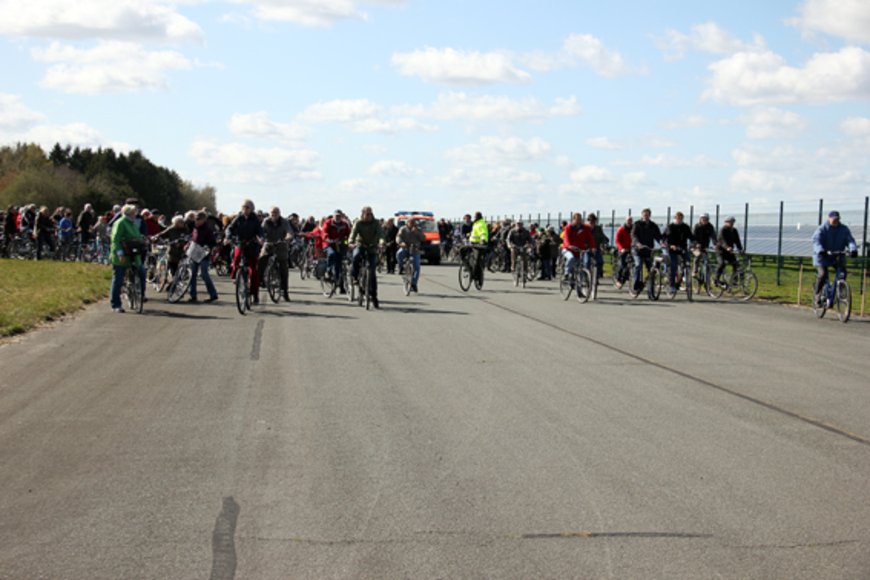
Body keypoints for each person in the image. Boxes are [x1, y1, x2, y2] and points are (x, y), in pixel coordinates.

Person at [812, 210, 858, 306]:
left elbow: (850, 240)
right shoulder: (822, 229)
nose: (835, 221)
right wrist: (820, 250)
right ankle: (817, 295)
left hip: (836, 256)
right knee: (823, 274)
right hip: (822, 257)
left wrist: (853, 249)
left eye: (837, 219)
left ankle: (840, 292)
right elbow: (816, 241)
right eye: (833, 219)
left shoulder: (844, 229)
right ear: (829, 218)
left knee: (842, 272)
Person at [226, 199, 265, 304]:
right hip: (240, 243)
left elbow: (260, 231)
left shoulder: (255, 219)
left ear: (252, 209)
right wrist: (228, 236)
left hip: (252, 245)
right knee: (237, 256)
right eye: (243, 207)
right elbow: (230, 228)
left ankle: (254, 294)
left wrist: (261, 238)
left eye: (247, 207)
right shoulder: (239, 218)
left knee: (253, 271)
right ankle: (235, 275)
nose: (245, 209)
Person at [109, 205, 145, 313]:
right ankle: (116, 304)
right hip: (122, 254)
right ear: (129, 213)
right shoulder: (120, 222)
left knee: (142, 272)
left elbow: (137, 236)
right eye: (134, 213)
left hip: (133, 254)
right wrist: (119, 253)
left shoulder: (133, 223)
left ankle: (140, 294)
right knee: (118, 279)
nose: (136, 215)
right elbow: (115, 239)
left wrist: (143, 240)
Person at [350, 206, 385, 308]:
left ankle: (374, 297)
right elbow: (353, 234)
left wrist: (382, 243)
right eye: (367, 214)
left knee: (372, 272)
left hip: (372, 247)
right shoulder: (358, 223)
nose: (369, 215)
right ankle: (355, 276)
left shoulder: (376, 223)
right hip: (360, 244)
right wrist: (351, 242)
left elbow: (381, 235)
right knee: (356, 256)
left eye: (370, 213)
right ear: (363, 214)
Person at [259, 207, 293, 302]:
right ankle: (261, 279)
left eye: (276, 212)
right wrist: (261, 239)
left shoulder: (284, 221)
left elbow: (289, 231)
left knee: (283, 268)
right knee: (261, 259)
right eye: (272, 212)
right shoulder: (266, 221)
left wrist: (288, 237)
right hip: (269, 244)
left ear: (279, 213)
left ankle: (285, 291)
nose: (274, 214)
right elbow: (261, 231)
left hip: (281, 245)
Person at [188, 211, 219, 303]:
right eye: (195, 219)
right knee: (192, 275)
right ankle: (193, 296)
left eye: (198, 219)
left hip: (203, 254)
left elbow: (213, 242)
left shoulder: (208, 230)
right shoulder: (195, 228)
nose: (196, 221)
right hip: (194, 252)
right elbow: (193, 238)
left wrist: (207, 247)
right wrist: (188, 243)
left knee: (204, 274)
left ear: (203, 220)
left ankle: (213, 294)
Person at [630, 208, 662, 292]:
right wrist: (637, 243)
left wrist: (662, 243)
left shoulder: (653, 225)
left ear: (650, 215)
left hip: (648, 250)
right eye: (644, 215)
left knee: (651, 267)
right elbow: (633, 235)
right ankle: (635, 284)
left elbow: (658, 236)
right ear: (642, 215)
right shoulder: (637, 224)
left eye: (647, 215)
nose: (646, 216)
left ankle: (651, 287)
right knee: (638, 264)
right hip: (637, 250)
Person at [662, 211, 694, 294]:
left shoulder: (685, 227)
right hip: (672, 249)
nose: (679, 220)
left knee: (687, 264)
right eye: (677, 218)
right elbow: (664, 238)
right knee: (673, 265)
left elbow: (691, 237)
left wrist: (695, 244)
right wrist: (670, 245)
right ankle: (671, 285)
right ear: (674, 218)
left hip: (682, 248)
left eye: (680, 218)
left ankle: (679, 282)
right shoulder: (670, 227)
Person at [323, 209, 352, 291]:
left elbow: (349, 234)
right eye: (336, 216)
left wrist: (349, 241)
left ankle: (340, 285)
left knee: (339, 265)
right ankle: (328, 271)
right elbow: (324, 232)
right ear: (333, 216)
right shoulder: (328, 223)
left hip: (340, 244)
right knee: (331, 254)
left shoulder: (344, 224)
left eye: (339, 216)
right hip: (329, 244)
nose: (338, 217)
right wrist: (327, 239)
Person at [561, 212, 596, 279]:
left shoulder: (585, 228)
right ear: (573, 220)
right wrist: (569, 245)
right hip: (568, 249)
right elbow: (566, 238)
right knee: (571, 258)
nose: (579, 221)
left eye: (580, 219)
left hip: (579, 250)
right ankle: (566, 273)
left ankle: (579, 286)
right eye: (577, 219)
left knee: (580, 268)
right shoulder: (569, 227)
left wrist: (593, 247)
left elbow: (590, 238)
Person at [396, 217, 425, 292]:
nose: (412, 224)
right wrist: (401, 242)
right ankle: (401, 266)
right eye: (410, 222)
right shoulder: (403, 229)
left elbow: (423, 238)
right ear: (407, 223)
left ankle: (414, 284)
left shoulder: (418, 229)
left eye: (413, 223)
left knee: (417, 267)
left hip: (415, 249)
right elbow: (398, 237)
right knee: (399, 253)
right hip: (405, 247)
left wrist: (417, 233)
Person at [714, 216, 743, 286]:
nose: (731, 223)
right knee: (722, 264)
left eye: (732, 222)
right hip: (720, 251)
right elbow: (722, 240)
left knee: (736, 265)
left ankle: (734, 281)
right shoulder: (722, 230)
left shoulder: (734, 230)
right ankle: (716, 280)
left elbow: (737, 241)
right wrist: (727, 247)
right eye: (729, 222)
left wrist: (740, 249)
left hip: (729, 252)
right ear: (725, 222)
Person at [692, 213, 716, 278]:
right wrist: (696, 244)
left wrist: (715, 244)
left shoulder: (710, 226)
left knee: (707, 261)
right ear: (700, 219)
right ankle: (695, 271)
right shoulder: (696, 226)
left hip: (705, 246)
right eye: (703, 219)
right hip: (696, 246)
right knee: (697, 256)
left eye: (706, 219)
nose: (704, 220)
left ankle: (707, 278)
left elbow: (713, 236)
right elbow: (693, 237)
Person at [586, 213, 609, 279]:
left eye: (593, 221)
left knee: (600, 262)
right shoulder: (585, 228)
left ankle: (596, 276)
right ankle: (586, 277)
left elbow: (602, 237)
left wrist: (605, 242)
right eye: (590, 221)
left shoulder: (598, 228)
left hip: (596, 248)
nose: (592, 222)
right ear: (588, 221)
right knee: (586, 262)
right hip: (586, 249)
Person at [468, 211, 489, 282]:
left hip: (478, 244)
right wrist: (469, 234)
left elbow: (483, 233)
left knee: (477, 260)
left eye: (475, 216)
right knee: (465, 253)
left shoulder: (481, 224)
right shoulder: (475, 223)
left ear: (478, 217)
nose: (474, 217)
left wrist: (483, 240)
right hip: (472, 242)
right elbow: (475, 232)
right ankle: (468, 267)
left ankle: (476, 275)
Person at [613, 216, 633, 289]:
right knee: (622, 264)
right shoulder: (621, 229)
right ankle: (618, 280)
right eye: (628, 220)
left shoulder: (633, 229)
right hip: (623, 249)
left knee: (632, 263)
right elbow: (617, 240)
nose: (629, 221)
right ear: (625, 221)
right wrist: (621, 248)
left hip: (631, 249)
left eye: (630, 220)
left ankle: (628, 277)